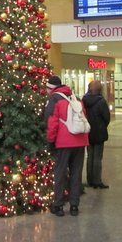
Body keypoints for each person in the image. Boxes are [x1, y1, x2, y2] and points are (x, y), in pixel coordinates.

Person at [46, 75, 89, 217]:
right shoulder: (75, 98)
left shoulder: (54, 99)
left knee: (60, 173)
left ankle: (58, 206)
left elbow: (52, 123)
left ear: (50, 89)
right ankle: (74, 206)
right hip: (80, 141)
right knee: (76, 173)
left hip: (64, 142)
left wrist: (50, 141)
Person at [82, 80, 111, 189]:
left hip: (88, 132)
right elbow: (106, 118)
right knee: (97, 157)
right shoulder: (101, 102)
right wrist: (102, 126)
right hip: (99, 133)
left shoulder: (84, 100)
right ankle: (97, 181)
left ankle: (90, 180)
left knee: (90, 156)